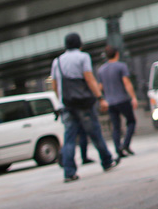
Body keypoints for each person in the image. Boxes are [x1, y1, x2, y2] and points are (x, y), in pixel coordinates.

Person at [51, 32, 118, 181]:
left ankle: (69, 172)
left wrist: (61, 99)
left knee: (69, 138)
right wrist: (100, 98)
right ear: (79, 44)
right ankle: (107, 161)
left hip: (66, 104)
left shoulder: (57, 61)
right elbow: (89, 78)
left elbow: (55, 85)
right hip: (83, 104)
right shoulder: (83, 57)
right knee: (94, 132)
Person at [97, 45, 138, 158]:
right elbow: (127, 83)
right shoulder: (121, 66)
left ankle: (118, 148)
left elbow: (99, 87)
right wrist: (133, 97)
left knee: (115, 126)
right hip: (122, 99)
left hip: (110, 102)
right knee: (131, 121)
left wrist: (101, 100)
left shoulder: (101, 69)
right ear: (117, 54)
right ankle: (125, 144)